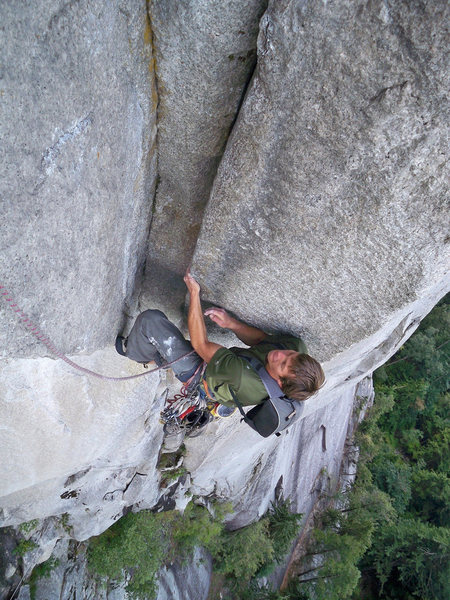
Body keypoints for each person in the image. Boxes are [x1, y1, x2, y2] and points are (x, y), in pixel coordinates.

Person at [116, 271, 325, 413]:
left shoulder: (241, 376)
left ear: (279, 383)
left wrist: (194, 293)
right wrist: (231, 323)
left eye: (282, 364)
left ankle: (136, 353)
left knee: (150, 321)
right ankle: (162, 359)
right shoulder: (296, 347)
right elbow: (263, 340)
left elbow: (201, 345)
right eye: (289, 356)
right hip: (228, 370)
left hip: (205, 377)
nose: (281, 355)